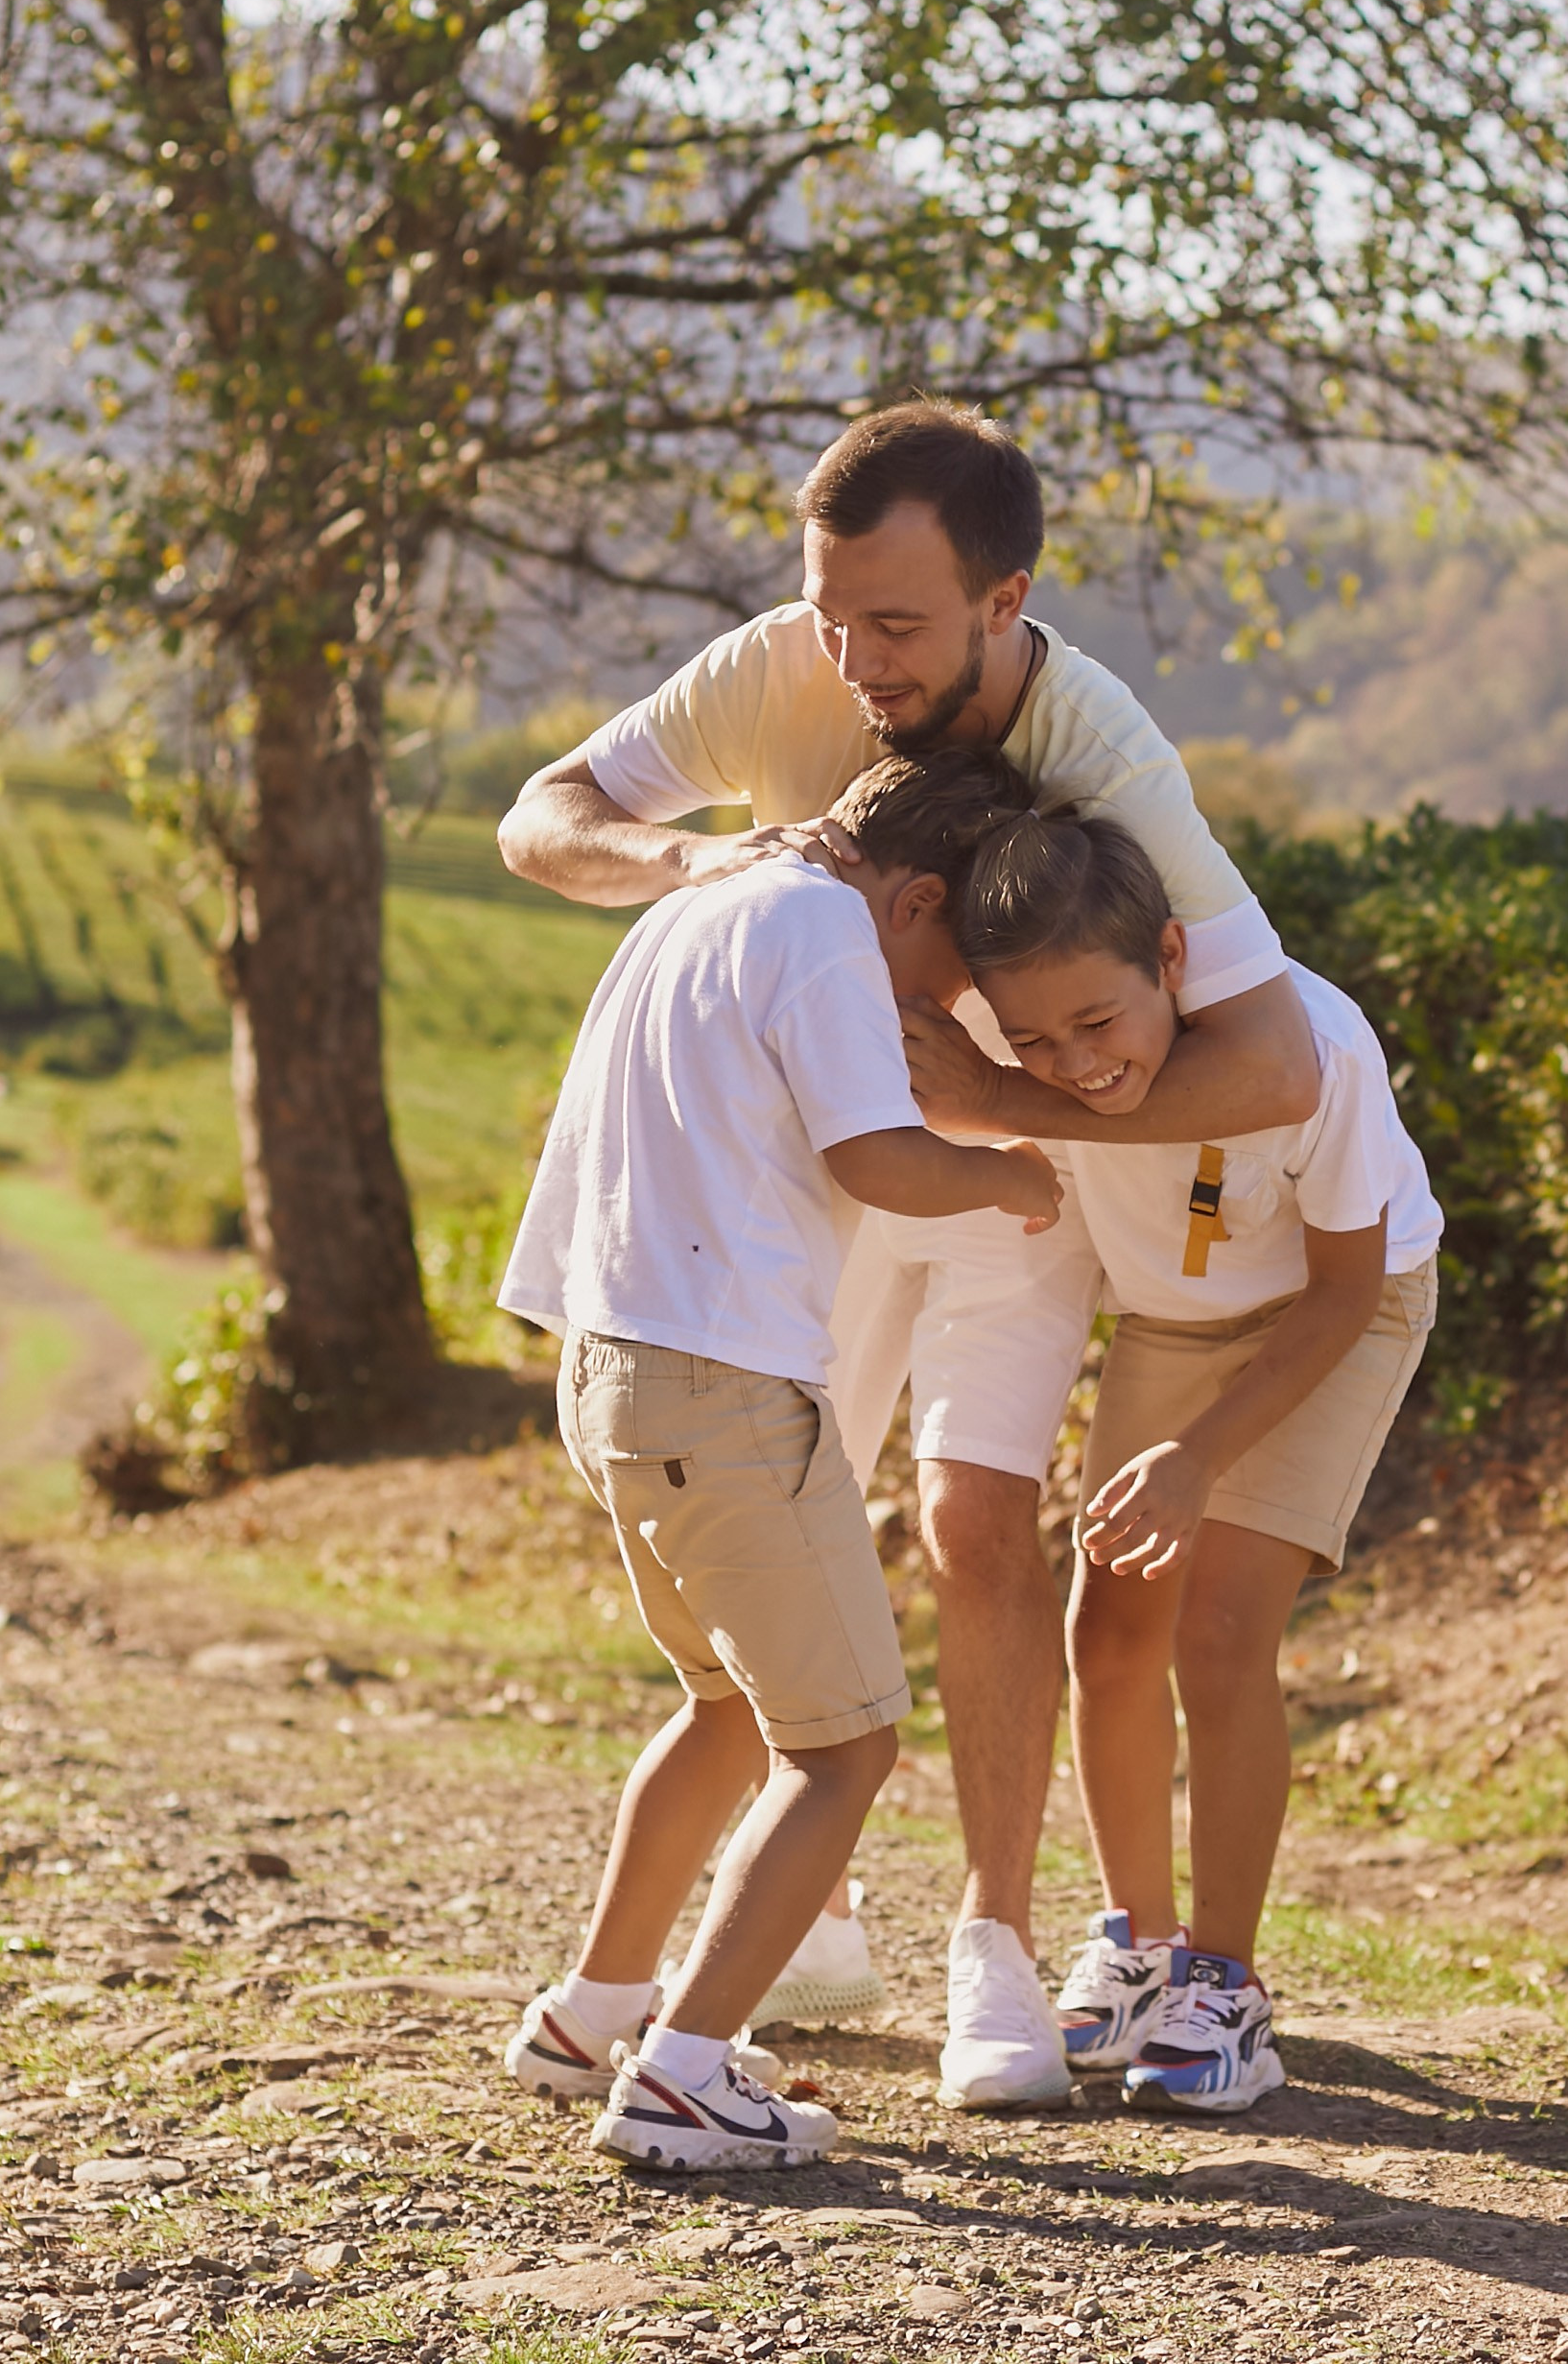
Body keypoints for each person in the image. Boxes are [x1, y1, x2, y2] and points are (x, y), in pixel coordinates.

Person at [498, 400, 1319, 2110]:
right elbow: (540, 819)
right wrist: (697, 863)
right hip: (808, 1195)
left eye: (898, 626)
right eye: (832, 612)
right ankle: (751, 1938)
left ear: (1006, 602)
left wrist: (1014, 1133)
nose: (851, 657)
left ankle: (995, 1943)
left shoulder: (1110, 751)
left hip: (1005, 1154)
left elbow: (1277, 1059)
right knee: (768, 1595)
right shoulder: (785, 668)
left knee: (972, 1518)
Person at [496, 750, 1060, 2170]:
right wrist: (1007, 1165)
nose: (936, 1005)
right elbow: (882, 1159)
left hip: (613, 1367)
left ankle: (590, 2014)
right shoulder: (821, 925)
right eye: (945, 971)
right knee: (845, 1745)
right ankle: (683, 2074)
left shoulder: (698, 903)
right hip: (729, 1386)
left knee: (727, 1706)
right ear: (915, 894)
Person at [952, 805, 1441, 2114]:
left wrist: (1196, 1456)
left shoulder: (1317, 1050)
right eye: (1037, 1039)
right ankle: (1137, 1942)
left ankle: (1225, 1983)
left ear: (1173, 955)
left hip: (1339, 1305)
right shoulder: (1021, 1049)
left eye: (1098, 1025)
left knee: (1221, 1634)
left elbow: (1343, 1293)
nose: (1073, 1065)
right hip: (1172, 1316)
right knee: (1107, 1630)